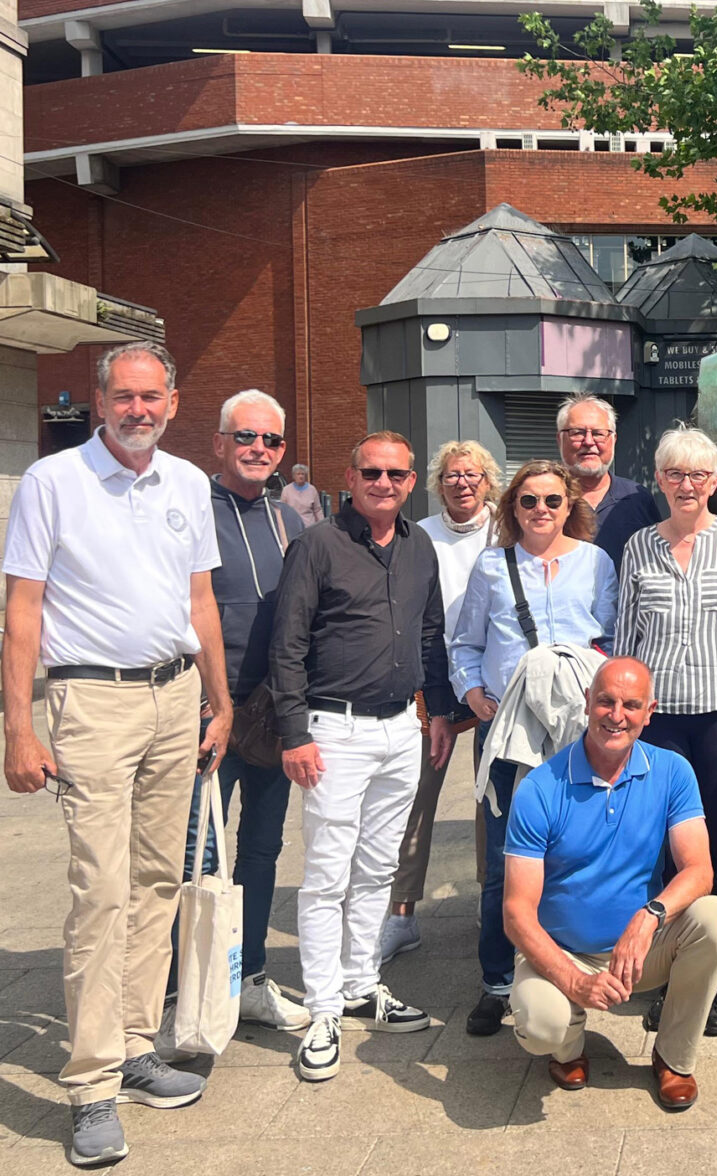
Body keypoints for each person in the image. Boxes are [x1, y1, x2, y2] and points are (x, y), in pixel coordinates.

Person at [2, 341, 231, 1167]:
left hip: (176, 697)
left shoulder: (187, 484)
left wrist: (221, 696)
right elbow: (23, 610)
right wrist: (17, 728)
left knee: (156, 881)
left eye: (153, 397)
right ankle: (92, 1084)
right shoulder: (52, 483)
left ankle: (136, 1044)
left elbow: (199, 600)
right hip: (91, 701)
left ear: (173, 401)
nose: (139, 410)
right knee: (98, 892)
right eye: (124, 397)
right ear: (99, 403)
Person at [270, 430, 454, 1082]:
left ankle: (360, 983)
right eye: (371, 472)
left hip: (401, 728)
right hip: (334, 733)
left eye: (396, 474)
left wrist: (437, 713)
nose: (384, 483)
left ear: (411, 483)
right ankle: (322, 1010)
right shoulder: (318, 545)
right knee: (326, 874)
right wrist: (294, 732)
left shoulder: (419, 545)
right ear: (349, 476)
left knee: (378, 868)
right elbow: (287, 643)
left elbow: (431, 635)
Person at [504, 657, 717, 1110]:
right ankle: (567, 1048)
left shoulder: (672, 771)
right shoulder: (539, 787)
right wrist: (574, 980)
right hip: (562, 949)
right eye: (606, 701)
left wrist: (650, 917)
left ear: (650, 712)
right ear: (587, 702)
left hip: (638, 951)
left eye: (631, 705)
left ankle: (673, 1057)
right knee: (539, 1024)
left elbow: (699, 870)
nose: (617, 715)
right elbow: (515, 913)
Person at [162, 390, 311, 1048]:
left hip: (273, 714)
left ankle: (248, 977)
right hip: (207, 714)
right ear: (219, 443)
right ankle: (185, 989)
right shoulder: (189, 513)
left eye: (272, 440)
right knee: (199, 856)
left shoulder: (289, 521)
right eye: (245, 437)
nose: (259, 449)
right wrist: (200, 700)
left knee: (261, 850)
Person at [616, 425, 717, 1035]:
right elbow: (626, 640)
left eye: (699, 475)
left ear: (716, 482)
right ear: (659, 479)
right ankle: (664, 974)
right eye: (675, 474)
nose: (688, 485)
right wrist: (622, 720)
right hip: (656, 724)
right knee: (660, 847)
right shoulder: (638, 548)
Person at [451, 459, 618, 1036]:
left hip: (575, 734)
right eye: (528, 501)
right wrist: (472, 691)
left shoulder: (596, 563)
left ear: (570, 504)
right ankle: (497, 980)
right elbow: (465, 641)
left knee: (575, 854)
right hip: (507, 732)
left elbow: (611, 638)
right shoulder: (492, 566)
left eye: (552, 500)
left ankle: (568, 964)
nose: (541, 511)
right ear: (512, 508)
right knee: (503, 861)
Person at [381, 440, 502, 965]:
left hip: (494, 680)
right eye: (452, 475)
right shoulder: (419, 535)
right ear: (437, 482)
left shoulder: (509, 527)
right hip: (433, 681)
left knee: (492, 796)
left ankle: (489, 900)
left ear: (488, 479)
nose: (462, 483)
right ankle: (401, 912)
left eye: (472, 474)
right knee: (417, 796)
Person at [557, 394, 662, 569]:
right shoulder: (545, 500)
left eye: (599, 434)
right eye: (577, 433)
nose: (589, 442)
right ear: (560, 439)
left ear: (613, 440)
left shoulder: (637, 498)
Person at [281, 462, 324, 527]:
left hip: (309, 526)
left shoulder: (312, 489)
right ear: (294, 476)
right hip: (292, 525)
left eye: (302, 474)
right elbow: (282, 509)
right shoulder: (286, 490)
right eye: (298, 474)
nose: (300, 476)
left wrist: (322, 524)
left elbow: (317, 510)